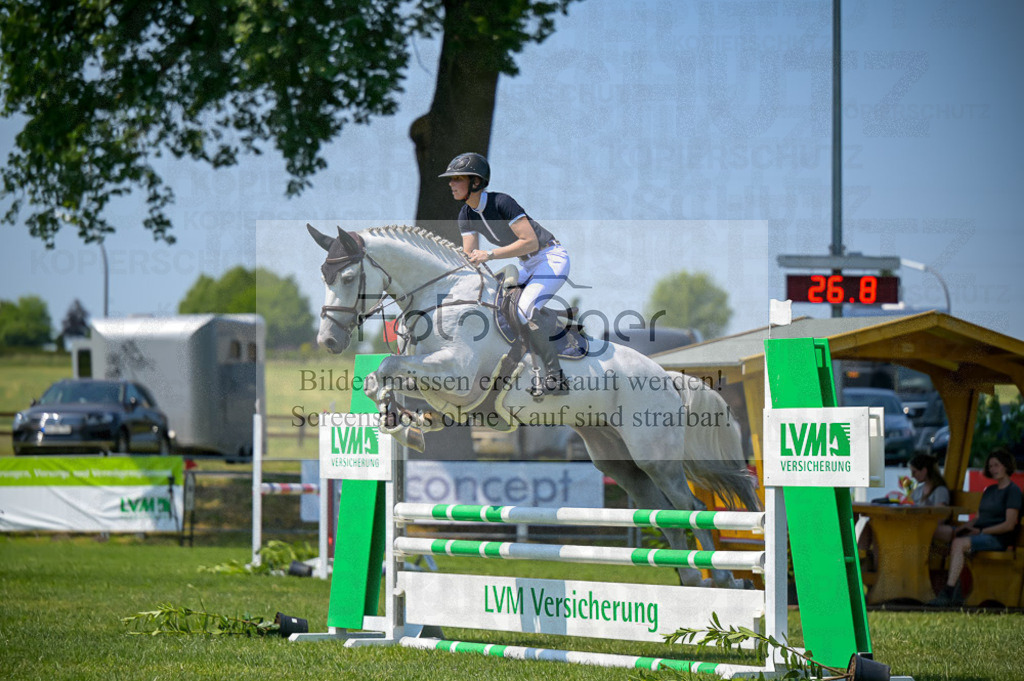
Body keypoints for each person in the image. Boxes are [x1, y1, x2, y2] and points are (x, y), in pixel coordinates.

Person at [439, 152, 571, 396]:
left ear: (475, 182)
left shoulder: (502, 202)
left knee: (524, 308)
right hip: (527, 265)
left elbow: (530, 242)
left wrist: (489, 255)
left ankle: (556, 376)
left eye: (457, 178)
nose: (451, 184)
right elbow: (470, 258)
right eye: (451, 179)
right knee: (492, 302)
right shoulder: (465, 216)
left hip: (550, 258)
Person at [928, 448, 1022, 606]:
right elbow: (978, 518)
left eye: (996, 465)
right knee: (948, 538)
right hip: (979, 535)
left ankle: (949, 592)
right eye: (991, 466)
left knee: (959, 544)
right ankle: (957, 594)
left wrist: (981, 531)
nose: (993, 469)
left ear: (1006, 466)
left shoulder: (1013, 492)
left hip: (998, 538)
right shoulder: (989, 490)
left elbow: (1009, 524)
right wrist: (961, 528)